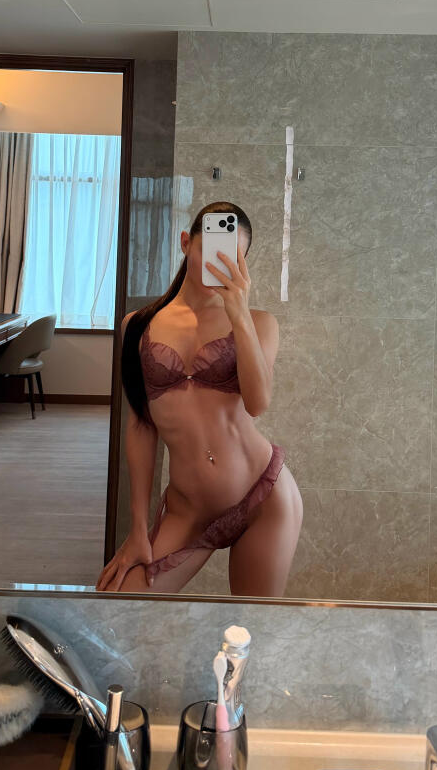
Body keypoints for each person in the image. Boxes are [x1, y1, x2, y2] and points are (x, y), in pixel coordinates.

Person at [96, 202, 302, 596]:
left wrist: (238, 315)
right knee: (118, 603)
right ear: (186, 243)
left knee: (254, 623)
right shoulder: (137, 326)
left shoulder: (260, 323)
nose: (219, 263)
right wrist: (137, 528)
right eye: (211, 250)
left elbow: (258, 402)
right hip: (187, 511)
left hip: (263, 496)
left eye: (232, 257)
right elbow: (141, 426)